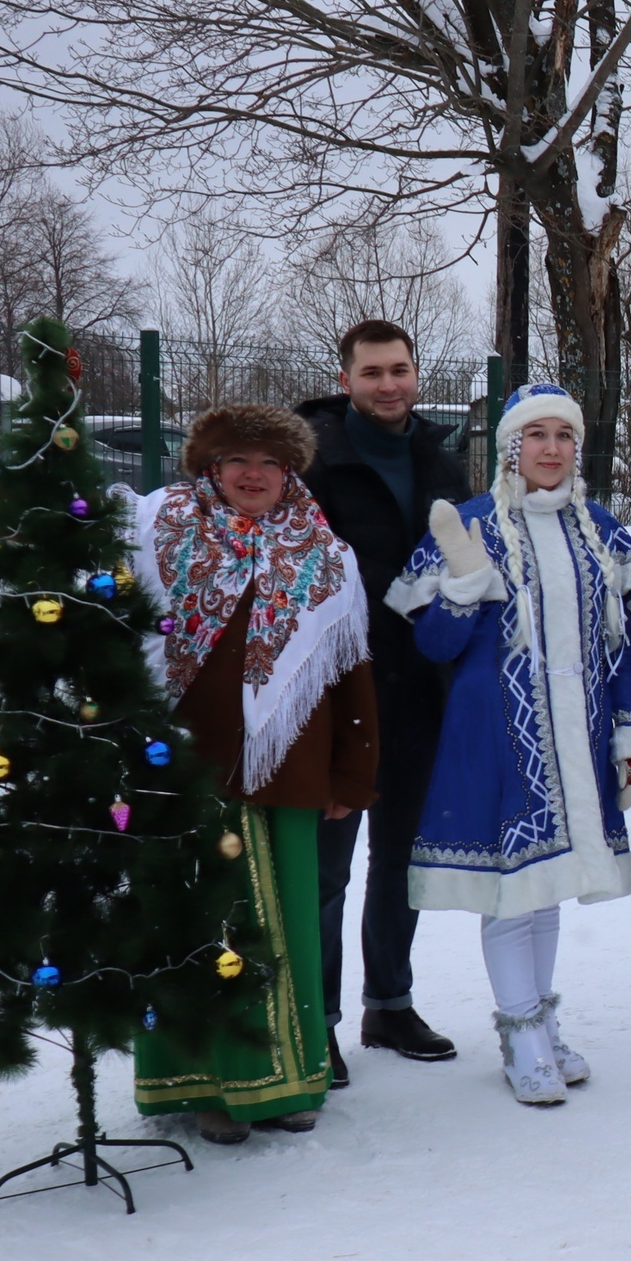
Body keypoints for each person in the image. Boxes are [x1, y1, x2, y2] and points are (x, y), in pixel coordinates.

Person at [388, 384, 631, 1103]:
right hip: (499, 734)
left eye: (563, 436)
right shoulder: (473, 527)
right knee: (513, 890)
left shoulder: (599, 530)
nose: (550, 449)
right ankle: (519, 1032)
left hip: (582, 730)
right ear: (511, 446)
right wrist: (464, 586)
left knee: (550, 886)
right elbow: (433, 643)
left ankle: (541, 1019)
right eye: (535, 435)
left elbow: (621, 648)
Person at [124, 404, 378, 1144]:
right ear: (210, 465)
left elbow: (352, 672)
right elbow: (58, 512)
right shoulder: (160, 531)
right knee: (199, 929)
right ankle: (205, 1082)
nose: (254, 474)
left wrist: (352, 775)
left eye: (270, 461)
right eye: (237, 459)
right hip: (184, 770)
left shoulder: (326, 555)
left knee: (289, 928)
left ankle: (288, 1081)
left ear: (290, 470)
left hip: (288, 771)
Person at [294, 320, 472, 1078]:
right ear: (347, 379)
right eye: (372, 372)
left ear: (417, 373)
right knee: (327, 869)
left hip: (420, 690)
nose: (388, 384)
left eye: (399, 369)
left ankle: (390, 1004)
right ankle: (317, 1019)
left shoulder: (442, 456)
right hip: (336, 692)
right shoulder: (313, 458)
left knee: (402, 858)